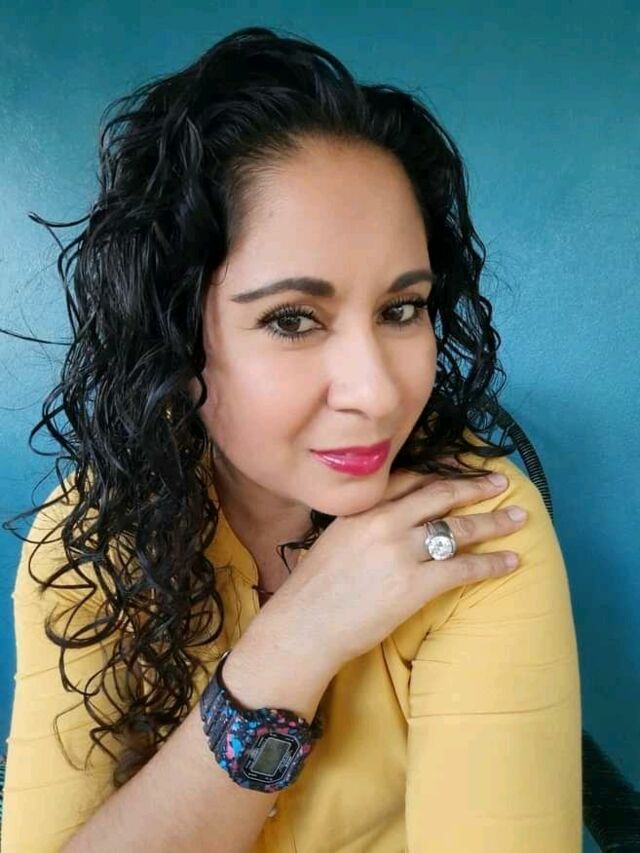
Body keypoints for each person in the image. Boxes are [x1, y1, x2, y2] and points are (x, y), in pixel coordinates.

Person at [1, 26, 582, 852]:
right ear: (175, 335)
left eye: (402, 308)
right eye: (292, 319)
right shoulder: (88, 536)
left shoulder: (475, 528)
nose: (377, 392)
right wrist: (292, 646)